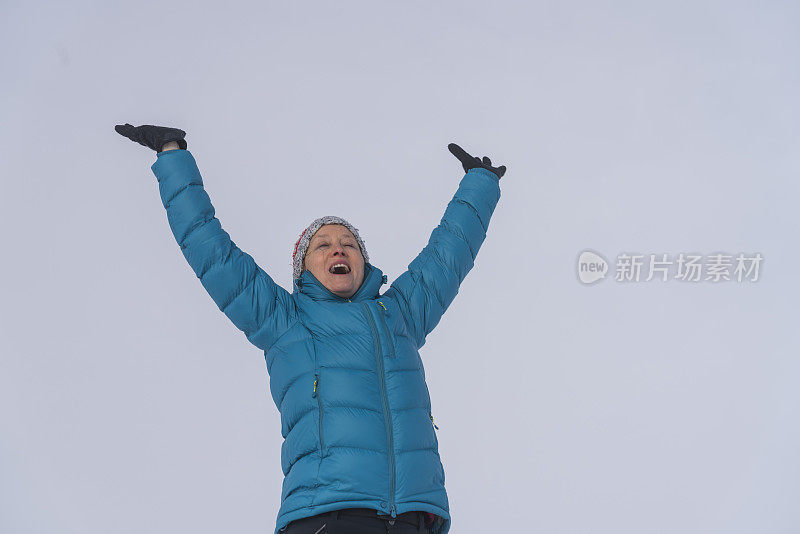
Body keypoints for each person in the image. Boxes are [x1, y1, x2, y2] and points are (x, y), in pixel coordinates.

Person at [115, 124, 506, 534]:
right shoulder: (285, 319)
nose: (339, 248)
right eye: (323, 245)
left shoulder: (400, 314)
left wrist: (479, 184)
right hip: (327, 516)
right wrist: (172, 154)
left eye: (349, 244)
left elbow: (447, 256)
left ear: (363, 263)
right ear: (304, 268)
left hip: (414, 517)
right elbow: (211, 249)